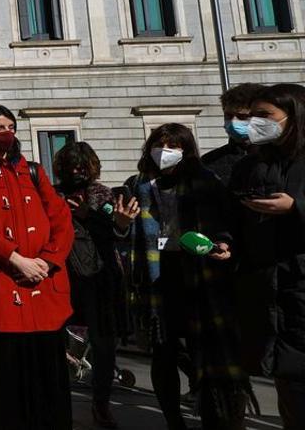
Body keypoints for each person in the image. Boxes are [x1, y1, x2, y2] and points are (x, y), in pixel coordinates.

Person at [116, 123, 247, 430]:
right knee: (163, 352)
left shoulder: (205, 181)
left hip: (198, 274)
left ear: (187, 150)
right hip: (156, 273)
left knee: (204, 349)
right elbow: (123, 235)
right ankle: (174, 420)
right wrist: (121, 223)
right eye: (160, 144)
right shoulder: (138, 184)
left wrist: (223, 243)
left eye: (174, 146)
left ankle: (212, 414)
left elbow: (225, 222)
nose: (165, 152)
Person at [0, 104, 73, 430]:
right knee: (7, 376)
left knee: (49, 375)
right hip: (4, 286)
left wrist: (47, 261)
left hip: (44, 285)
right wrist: (16, 258)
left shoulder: (33, 171)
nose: (7, 133)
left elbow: (61, 220)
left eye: (11, 126)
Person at [230, 83, 305, 429]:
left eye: (265, 116)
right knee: (289, 390)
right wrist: (224, 244)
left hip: (300, 284)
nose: (253, 123)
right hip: (271, 295)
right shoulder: (249, 166)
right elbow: (233, 220)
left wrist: (297, 208)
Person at [51, 142, 127, 429]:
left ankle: (101, 403)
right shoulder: (53, 195)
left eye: (82, 165)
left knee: (104, 344)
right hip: (63, 276)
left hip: (100, 277)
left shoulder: (102, 194)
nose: (76, 170)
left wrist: (88, 215)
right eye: (71, 164)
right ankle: (59, 402)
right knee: (59, 342)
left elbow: (117, 230)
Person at [204, 83, 264, 186]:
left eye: (242, 117)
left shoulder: (285, 157)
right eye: (228, 116)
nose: (233, 122)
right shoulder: (209, 161)